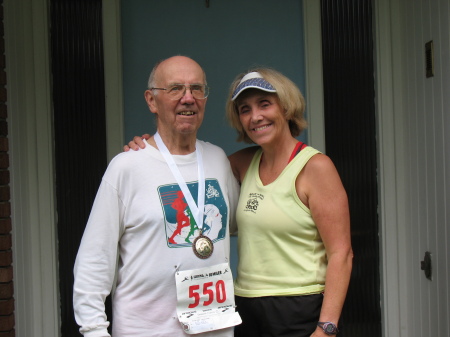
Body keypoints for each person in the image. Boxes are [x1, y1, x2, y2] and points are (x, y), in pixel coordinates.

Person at [126, 67, 353, 337]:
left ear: (286, 108)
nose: (255, 117)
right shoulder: (242, 163)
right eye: (245, 109)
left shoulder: (315, 167)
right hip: (245, 308)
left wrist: (326, 328)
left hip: (300, 308)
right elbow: (186, 167)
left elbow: (342, 255)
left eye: (265, 104)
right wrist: (147, 150)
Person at [73, 56, 241, 337]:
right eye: (175, 89)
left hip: (216, 330)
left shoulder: (217, 159)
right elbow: (94, 261)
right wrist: (94, 331)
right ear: (151, 101)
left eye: (197, 88)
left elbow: (235, 223)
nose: (188, 98)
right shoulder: (127, 167)